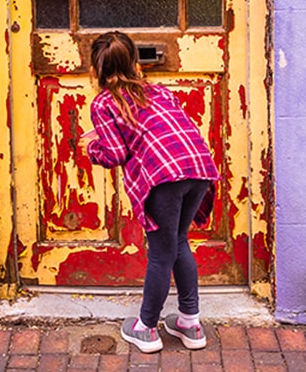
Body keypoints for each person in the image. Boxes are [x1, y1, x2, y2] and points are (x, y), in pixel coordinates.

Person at [78, 31, 220, 354]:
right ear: (135, 64)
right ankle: (189, 321)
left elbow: (114, 153)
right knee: (179, 242)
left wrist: (92, 147)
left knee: (160, 253)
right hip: (197, 167)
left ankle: (146, 327)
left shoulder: (103, 102)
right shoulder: (158, 91)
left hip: (162, 177)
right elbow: (158, 128)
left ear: (94, 71)